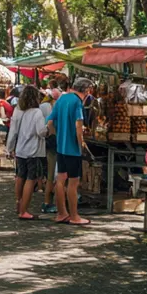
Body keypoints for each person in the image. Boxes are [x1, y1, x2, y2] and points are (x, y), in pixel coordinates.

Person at [47, 77, 91, 226]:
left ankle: (61, 213)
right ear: (86, 91)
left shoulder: (61, 99)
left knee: (60, 180)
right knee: (73, 182)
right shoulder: (77, 102)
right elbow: (79, 127)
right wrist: (82, 144)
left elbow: (50, 122)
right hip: (73, 149)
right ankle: (74, 216)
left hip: (61, 147)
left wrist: (57, 135)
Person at [7, 85, 48, 220]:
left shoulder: (18, 111)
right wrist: (48, 128)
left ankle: (19, 202)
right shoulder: (37, 112)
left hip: (20, 150)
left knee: (20, 176)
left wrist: (9, 147)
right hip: (33, 150)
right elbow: (41, 132)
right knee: (31, 178)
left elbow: (13, 131)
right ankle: (24, 210)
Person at [38, 87, 58, 214]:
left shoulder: (49, 115)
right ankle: (50, 202)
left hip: (50, 147)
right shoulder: (55, 116)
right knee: (54, 177)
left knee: (51, 176)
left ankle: (49, 202)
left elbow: (44, 131)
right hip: (56, 148)